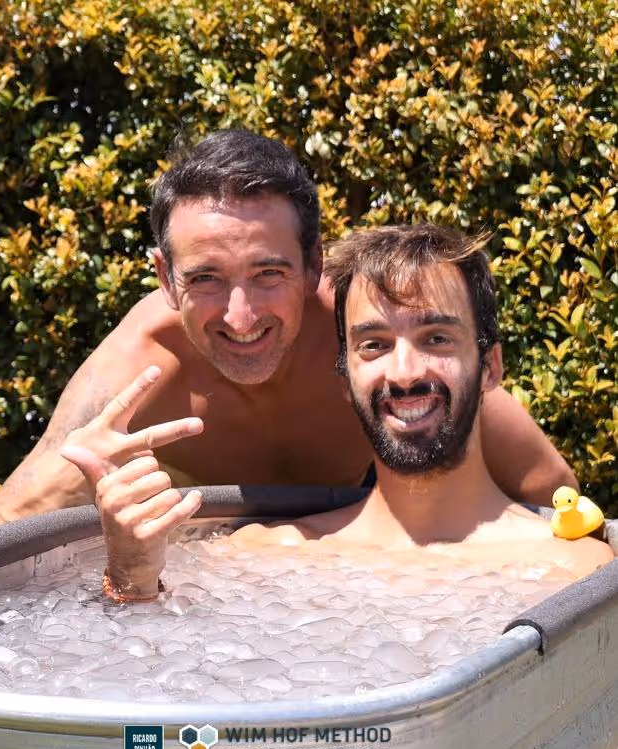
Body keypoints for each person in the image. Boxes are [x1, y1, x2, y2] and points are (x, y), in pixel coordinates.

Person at [0, 130, 576, 535]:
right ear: (164, 277)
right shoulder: (140, 372)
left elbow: (550, 492)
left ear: (314, 264)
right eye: (204, 278)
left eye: (268, 273)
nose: (241, 316)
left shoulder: (368, 332)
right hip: (214, 588)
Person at [63, 224, 612, 602]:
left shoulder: (577, 577)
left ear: (490, 368)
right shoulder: (261, 558)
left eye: (436, 338)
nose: (403, 371)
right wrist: (131, 575)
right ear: (345, 379)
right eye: (373, 346)